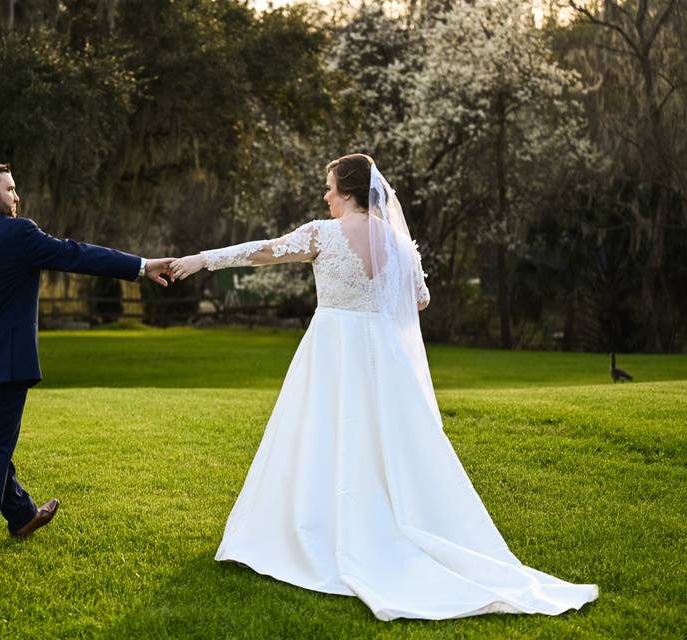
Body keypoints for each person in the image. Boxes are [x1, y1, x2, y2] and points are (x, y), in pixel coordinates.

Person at [168, 153, 598, 620]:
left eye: (330, 187)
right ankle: (383, 526)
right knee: (382, 444)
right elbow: (420, 298)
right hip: (382, 355)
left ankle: (321, 533)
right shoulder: (397, 240)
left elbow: (261, 252)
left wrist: (197, 261)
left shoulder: (323, 233)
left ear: (349, 191)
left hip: (334, 346)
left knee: (321, 435)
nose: (326, 195)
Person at [0, 162, 173, 568]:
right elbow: (77, 255)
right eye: (11, 190)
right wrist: (141, 266)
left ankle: (20, 514)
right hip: (6, 366)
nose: (17, 198)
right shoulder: (18, 234)